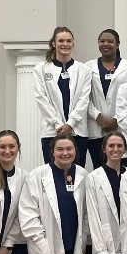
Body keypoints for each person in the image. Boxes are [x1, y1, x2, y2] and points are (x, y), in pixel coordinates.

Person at [34, 26, 93, 167]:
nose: (65, 44)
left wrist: (70, 124)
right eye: (61, 41)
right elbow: (41, 99)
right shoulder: (41, 69)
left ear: (73, 43)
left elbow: (84, 99)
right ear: (54, 43)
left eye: (68, 41)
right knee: (53, 174)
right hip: (51, 131)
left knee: (76, 173)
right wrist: (58, 124)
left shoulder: (83, 70)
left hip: (77, 131)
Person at [85, 29, 127, 169]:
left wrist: (117, 118)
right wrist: (98, 117)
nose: (106, 44)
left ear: (117, 44)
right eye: (102, 41)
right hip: (95, 126)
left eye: (110, 41)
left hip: (120, 126)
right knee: (98, 167)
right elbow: (83, 97)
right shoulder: (88, 67)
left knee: (120, 168)